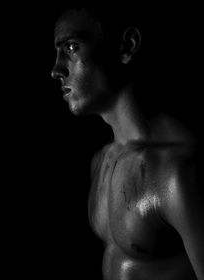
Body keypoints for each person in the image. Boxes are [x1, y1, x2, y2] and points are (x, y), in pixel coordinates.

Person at [51, 0, 204, 279]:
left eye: (72, 48)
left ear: (127, 46)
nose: (57, 70)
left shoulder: (176, 171)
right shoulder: (103, 160)